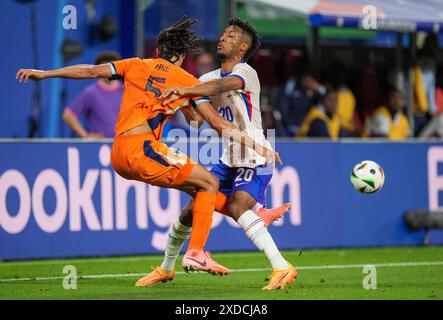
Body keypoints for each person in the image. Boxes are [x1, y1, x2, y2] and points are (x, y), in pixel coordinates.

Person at [16, 16, 280, 277]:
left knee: (201, 192)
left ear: (157, 51)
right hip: (143, 149)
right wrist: (254, 141)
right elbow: (209, 122)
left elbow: (89, 71)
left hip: (119, 153)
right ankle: (198, 252)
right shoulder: (186, 79)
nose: (223, 37)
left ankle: (181, 260)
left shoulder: (135, 64)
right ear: (180, 56)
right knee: (208, 184)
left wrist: (45, 73)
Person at [153, 17, 297, 291]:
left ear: (242, 46)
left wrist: (184, 88)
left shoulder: (246, 72)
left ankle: (282, 266)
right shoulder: (206, 79)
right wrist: (182, 102)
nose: (222, 37)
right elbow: (195, 120)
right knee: (191, 210)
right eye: (223, 33)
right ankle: (166, 269)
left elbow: (219, 88)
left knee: (236, 206)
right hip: (229, 158)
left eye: (230, 35)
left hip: (256, 157)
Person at [62, 51, 123, 138]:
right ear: (98, 70)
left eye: (111, 68)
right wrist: (85, 135)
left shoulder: (127, 90)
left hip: (124, 144)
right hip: (101, 147)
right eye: (105, 68)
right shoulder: (90, 93)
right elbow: (68, 115)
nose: (108, 72)